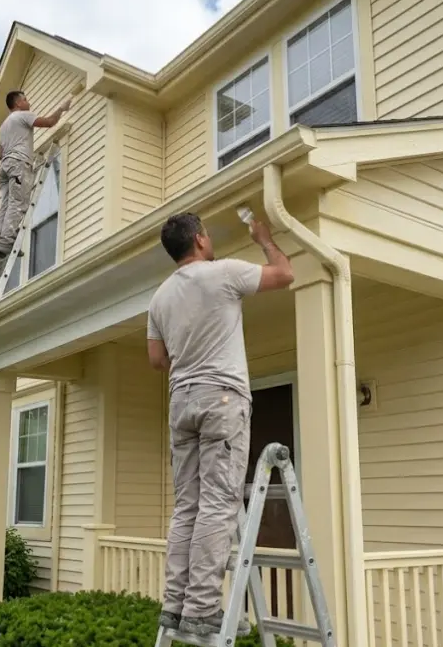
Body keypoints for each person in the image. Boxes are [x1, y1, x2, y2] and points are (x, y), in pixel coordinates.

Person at [146, 211, 295, 637]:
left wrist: (189, 352)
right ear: (197, 239)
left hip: (181, 402)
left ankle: (175, 605)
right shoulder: (223, 273)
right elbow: (285, 274)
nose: (210, 239)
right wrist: (265, 238)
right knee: (217, 504)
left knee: (187, 506)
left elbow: (158, 361)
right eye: (206, 233)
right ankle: (202, 608)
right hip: (222, 398)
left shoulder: (159, 298)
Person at [0, 90, 71, 259]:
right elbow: (49, 122)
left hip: (5, 167)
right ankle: (6, 240)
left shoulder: (4, 126)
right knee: (18, 202)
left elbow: (0, 153)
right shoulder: (22, 116)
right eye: (25, 100)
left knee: (6, 205)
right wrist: (61, 109)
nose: (29, 102)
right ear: (18, 103)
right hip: (18, 163)